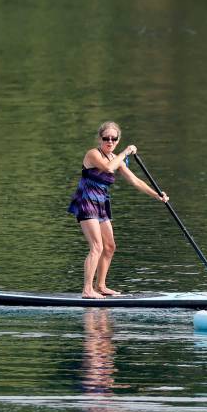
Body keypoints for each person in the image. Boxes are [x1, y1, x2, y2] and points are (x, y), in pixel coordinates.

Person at [68, 120, 168, 298]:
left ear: (118, 140)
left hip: (102, 203)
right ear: (100, 138)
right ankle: (87, 290)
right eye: (106, 138)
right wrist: (125, 152)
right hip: (86, 201)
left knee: (110, 246)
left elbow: (136, 181)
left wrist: (157, 195)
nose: (110, 142)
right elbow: (107, 168)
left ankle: (101, 286)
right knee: (97, 246)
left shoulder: (117, 159)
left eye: (114, 139)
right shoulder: (93, 154)